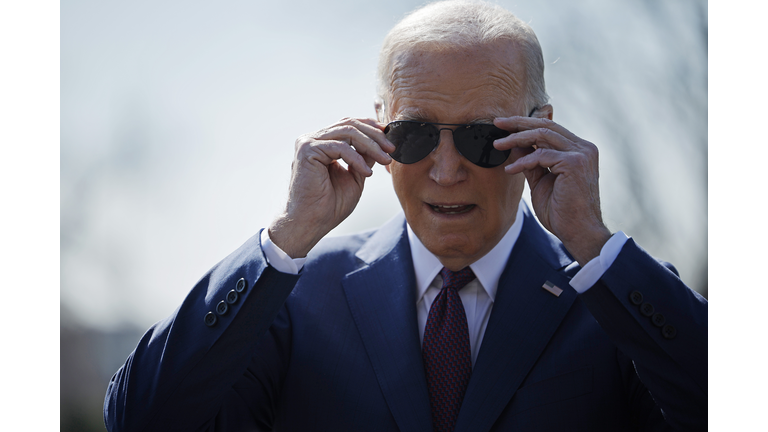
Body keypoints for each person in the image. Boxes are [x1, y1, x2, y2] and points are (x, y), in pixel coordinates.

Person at [104, 1, 707, 431]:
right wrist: (285, 238)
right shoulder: (295, 297)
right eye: (415, 135)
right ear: (378, 128)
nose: (446, 172)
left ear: (539, 130)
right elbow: (140, 419)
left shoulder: (618, 299)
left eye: (480, 138)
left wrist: (593, 243)